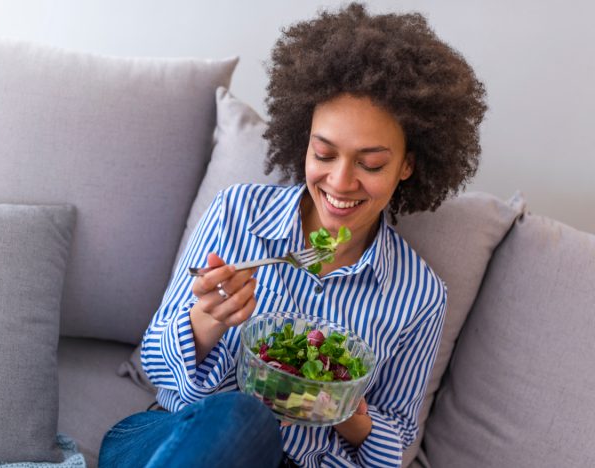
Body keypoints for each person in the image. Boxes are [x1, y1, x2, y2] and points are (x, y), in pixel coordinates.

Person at [99, 3, 486, 467]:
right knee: (244, 416)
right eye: (324, 154)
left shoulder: (420, 295)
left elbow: (395, 439)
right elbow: (160, 369)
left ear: (407, 165)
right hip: (170, 435)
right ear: (304, 142)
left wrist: (344, 409)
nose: (340, 183)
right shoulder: (238, 213)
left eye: (371, 164)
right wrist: (209, 319)